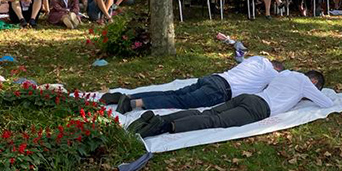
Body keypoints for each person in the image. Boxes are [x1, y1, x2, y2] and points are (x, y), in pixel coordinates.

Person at [128, 70, 333, 138]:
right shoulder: (305, 82)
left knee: (206, 112)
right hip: (258, 108)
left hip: (247, 97)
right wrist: (312, 94)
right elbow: (326, 103)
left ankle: (159, 118)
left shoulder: (285, 73)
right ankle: (163, 126)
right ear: (314, 81)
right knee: (213, 121)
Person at [102, 56, 284, 113]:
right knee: (179, 101)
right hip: (221, 91)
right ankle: (134, 103)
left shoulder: (257, 59)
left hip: (214, 78)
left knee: (174, 92)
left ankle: (129, 96)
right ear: (277, 68)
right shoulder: (272, 74)